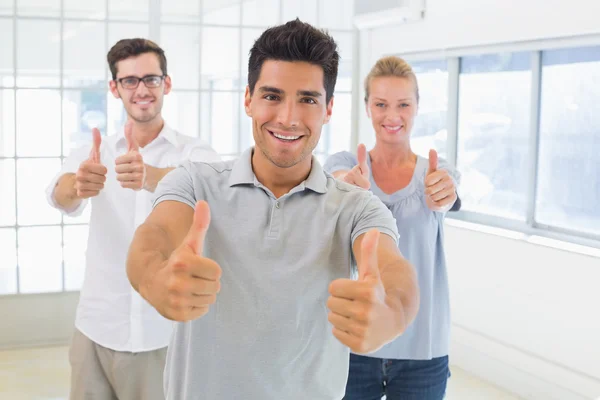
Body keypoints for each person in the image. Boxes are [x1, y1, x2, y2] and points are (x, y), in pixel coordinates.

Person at [126, 20, 420, 400]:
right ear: (248, 98)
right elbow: (154, 238)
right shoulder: (195, 182)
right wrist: (155, 280)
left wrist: (391, 313)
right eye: (272, 96)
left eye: (308, 99)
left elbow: (395, 272)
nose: (288, 117)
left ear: (329, 108)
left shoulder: (356, 207)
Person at [45, 38, 220, 400]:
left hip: (163, 334)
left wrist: (151, 176)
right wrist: (78, 185)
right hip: (95, 328)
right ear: (115, 88)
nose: (141, 89)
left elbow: (209, 191)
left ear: (166, 84)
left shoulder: (195, 151)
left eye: (151, 79)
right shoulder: (95, 152)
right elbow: (58, 193)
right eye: (129, 81)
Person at [324, 56, 460, 400]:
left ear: (416, 107)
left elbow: (448, 194)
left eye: (403, 104)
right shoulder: (343, 164)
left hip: (422, 346)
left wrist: (443, 193)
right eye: (381, 104)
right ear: (367, 107)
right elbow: (336, 181)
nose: (392, 115)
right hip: (354, 343)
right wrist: (349, 186)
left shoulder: (436, 171)